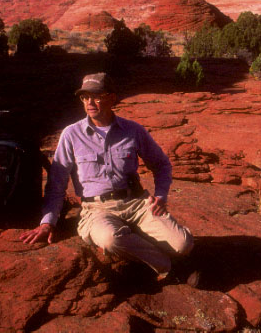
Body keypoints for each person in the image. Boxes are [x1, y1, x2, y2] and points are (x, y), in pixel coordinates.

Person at [20, 73, 194, 282]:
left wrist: (161, 195)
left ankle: (148, 250)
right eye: (85, 97)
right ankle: (170, 268)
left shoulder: (133, 130)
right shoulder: (71, 134)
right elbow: (57, 183)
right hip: (96, 210)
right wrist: (48, 222)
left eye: (96, 96)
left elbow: (161, 165)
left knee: (183, 244)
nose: (90, 103)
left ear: (112, 98)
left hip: (136, 203)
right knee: (111, 239)